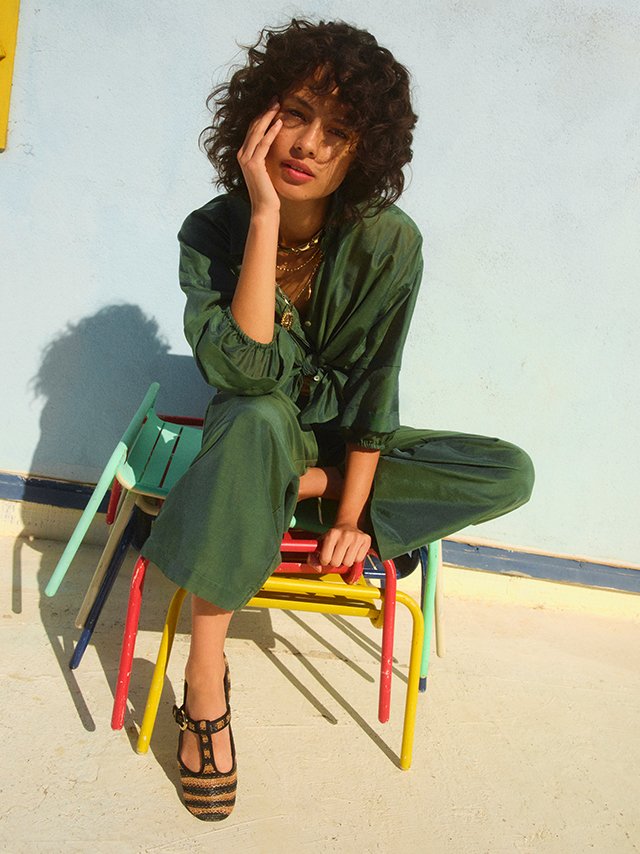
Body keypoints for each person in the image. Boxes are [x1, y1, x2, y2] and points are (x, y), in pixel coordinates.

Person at [141, 18, 534, 821]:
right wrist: (262, 216)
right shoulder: (212, 232)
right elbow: (242, 371)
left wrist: (350, 513)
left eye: (339, 130)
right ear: (259, 114)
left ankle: (291, 488)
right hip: (257, 430)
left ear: (364, 151)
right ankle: (205, 682)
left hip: (338, 456)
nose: (309, 144)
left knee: (507, 469)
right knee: (255, 418)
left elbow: (379, 385)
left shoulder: (390, 242)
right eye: (295, 112)